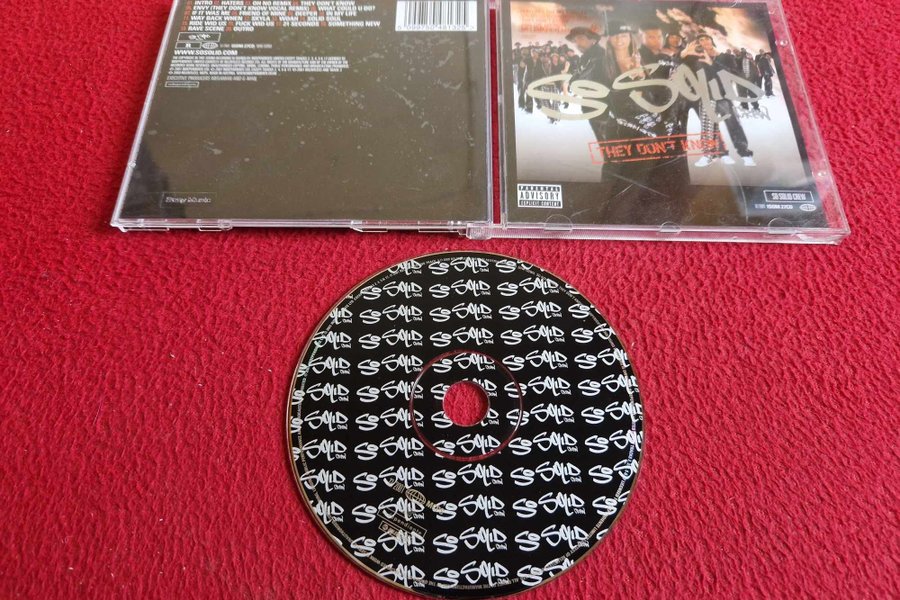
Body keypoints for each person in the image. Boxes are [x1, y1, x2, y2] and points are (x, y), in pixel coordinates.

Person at [684, 32, 756, 167]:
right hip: (706, 96)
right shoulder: (696, 59)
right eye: (701, 40)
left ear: (712, 41)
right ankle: (710, 155)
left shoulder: (725, 57)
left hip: (723, 95)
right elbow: (681, 67)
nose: (704, 42)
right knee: (708, 127)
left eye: (707, 39)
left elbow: (733, 74)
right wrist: (685, 53)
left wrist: (711, 63)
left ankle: (745, 154)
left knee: (733, 124)